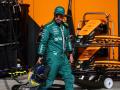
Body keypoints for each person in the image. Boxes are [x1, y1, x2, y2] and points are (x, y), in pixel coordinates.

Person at [37, 6, 74, 90]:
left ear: (63, 17)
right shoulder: (48, 27)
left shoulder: (65, 27)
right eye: (56, 15)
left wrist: (71, 54)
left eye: (60, 16)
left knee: (69, 78)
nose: (58, 18)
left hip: (63, 57)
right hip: (52, 58)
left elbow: (68, 40)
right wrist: (40, 55)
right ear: (54, 15)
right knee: (48, 80)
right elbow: (43, 42)